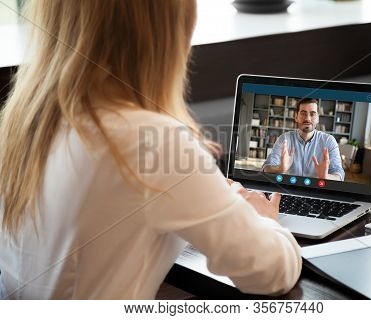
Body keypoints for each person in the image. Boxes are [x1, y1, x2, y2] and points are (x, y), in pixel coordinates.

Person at [0, 0, 301, 299]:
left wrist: (209, 199)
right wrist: (262, 220)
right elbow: (270, 273)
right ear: (166, 34)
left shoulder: (24, 123)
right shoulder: (151, 141)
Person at [262, 98, 344, 181]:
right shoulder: (284, 139)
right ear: (296, 117)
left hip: (317, 191)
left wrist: (326, 177)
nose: (308, 118)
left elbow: (339, 175)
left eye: (312, 114)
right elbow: (266, 168)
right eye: (303, 113)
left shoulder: (329, 141)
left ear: (318, 118)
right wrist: (280, 169)